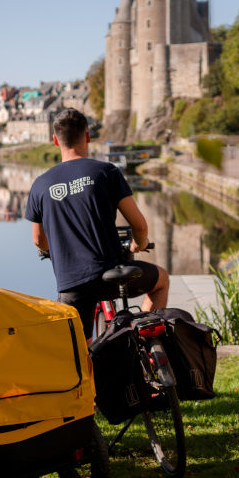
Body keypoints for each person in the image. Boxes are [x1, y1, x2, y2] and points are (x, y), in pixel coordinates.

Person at [25, 109, 169, 340]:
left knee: (82, 352)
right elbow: (139, 226)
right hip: (112, 274)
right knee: (161, 280)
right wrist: (138, 245)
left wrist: (51, 251)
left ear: (54, 140)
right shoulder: (106, 172)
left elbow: (38, 240)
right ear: (88, 136)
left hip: (71, 283)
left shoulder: (40, 185)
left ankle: (92, 369)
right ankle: (141, 338)